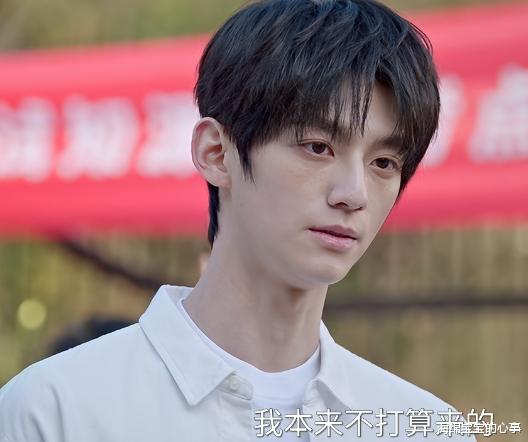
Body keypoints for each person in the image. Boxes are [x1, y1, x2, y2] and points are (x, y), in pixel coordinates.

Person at [0, 1, 477, 441]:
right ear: (216, 153)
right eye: (318, 147)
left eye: (384, 163)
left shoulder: (428, 429)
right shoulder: (57, 412)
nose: (353, 194)